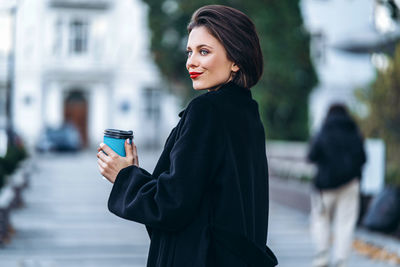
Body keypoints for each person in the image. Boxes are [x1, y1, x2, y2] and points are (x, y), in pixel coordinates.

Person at [97, 5, 278, 267]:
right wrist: (135, 175)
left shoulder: (207, 111)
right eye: (190, 52)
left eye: (204, 52)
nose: (190, 62)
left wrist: (124, 177)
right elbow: (200, 198)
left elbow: (172, 206)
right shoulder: (247, 113)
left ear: (236, 59)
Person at [307, 103, 366, 267]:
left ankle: (322, 255)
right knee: (345, 222)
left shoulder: (323, 130)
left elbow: (312, 155)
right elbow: (363, 158)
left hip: (325, 186)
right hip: (350, 185)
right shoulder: (354, 132)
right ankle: (341, 259)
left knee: (320, 219)